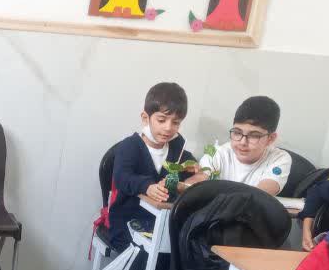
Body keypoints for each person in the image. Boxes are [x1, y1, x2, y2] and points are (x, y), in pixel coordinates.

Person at [103, 82, 196, 251]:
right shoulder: (129, 146)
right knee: (147, 259)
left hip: (160, 224)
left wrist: (195, 172)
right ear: (146, 118)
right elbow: (122, 177)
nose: (168, 128)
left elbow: (192, 168)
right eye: (161, 120)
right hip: (127, 222)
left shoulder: (177, 148)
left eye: (176, 123)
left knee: (182, 253)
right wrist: (147, 186)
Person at [192, 95, 290, 195]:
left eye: (254, 136)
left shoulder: (279, 158)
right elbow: (195, 185)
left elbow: (259, 195)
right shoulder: (217, 154)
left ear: (270, 139)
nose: (243, 142)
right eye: (237, 132)